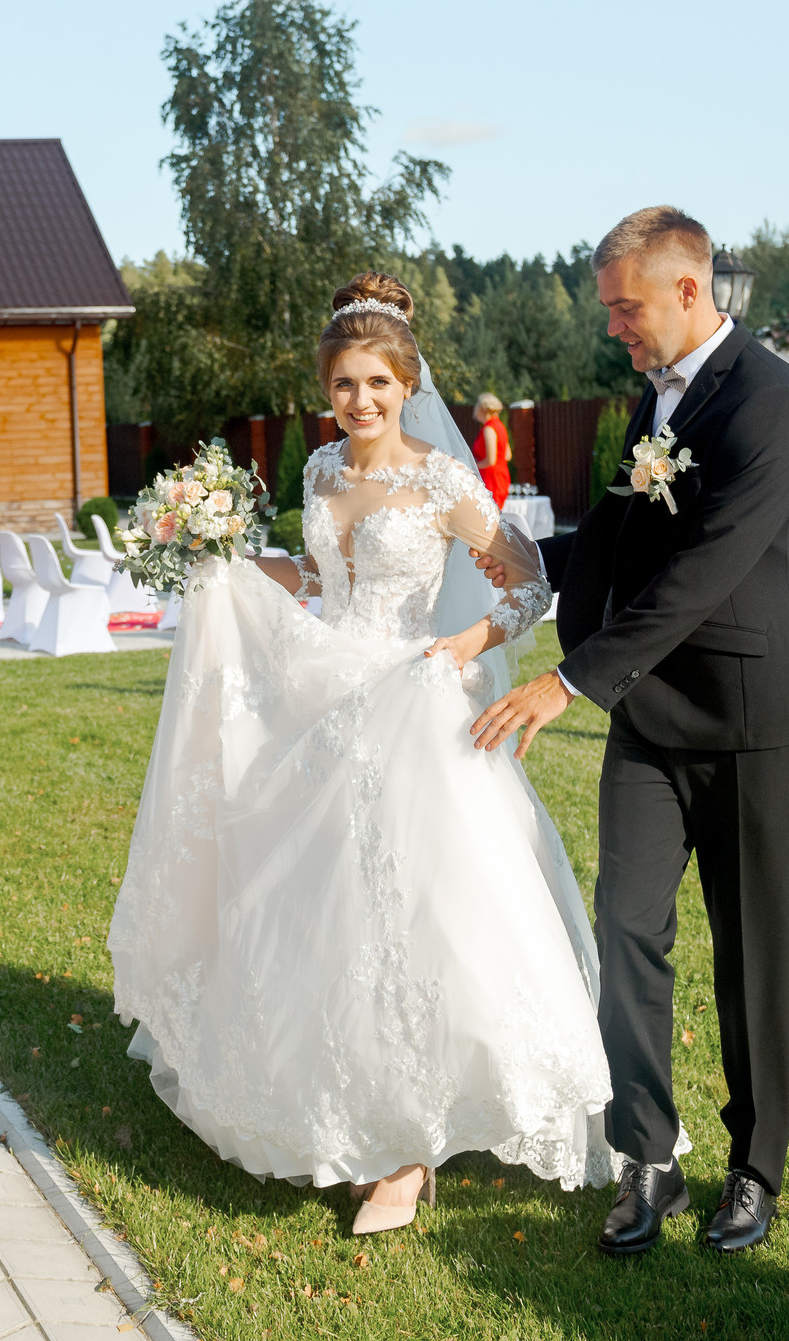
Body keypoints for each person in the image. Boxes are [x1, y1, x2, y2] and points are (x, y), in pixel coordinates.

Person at [109, 282, 611, 1238]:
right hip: (319, 699)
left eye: (378, 381)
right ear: (326, 391)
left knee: (408, 919)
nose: (361, 399)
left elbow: (529, 585)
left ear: (407, 381)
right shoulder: (319, 472)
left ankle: (409, 1147)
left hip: (409, 703)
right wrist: (227, 559)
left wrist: (461, 650)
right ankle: (328, 1100)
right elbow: (315, 578)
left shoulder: (438, 482)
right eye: (344, 383)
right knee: (313, 911)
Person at [472, 207, 789, 1257]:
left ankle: (757, 1167)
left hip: (757, 714)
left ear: (688, 291)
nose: (615, 327)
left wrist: (571, 679)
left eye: (625, 307)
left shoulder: (774, 402)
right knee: (624, 926)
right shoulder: (657, 396)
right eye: (610, 309)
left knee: (751, 948)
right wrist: (535, 561)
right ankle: (647, 1154)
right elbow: (620, 528)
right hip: (654, 715)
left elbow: (706, 570)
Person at [474, 392, 512, 509]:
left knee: (490, 514)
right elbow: (508, 455)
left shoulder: (489, 429)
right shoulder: (500, 426)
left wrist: (472, 466)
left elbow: (490, 461)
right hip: (501, 476)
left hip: (491, 479)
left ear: (482, 409)